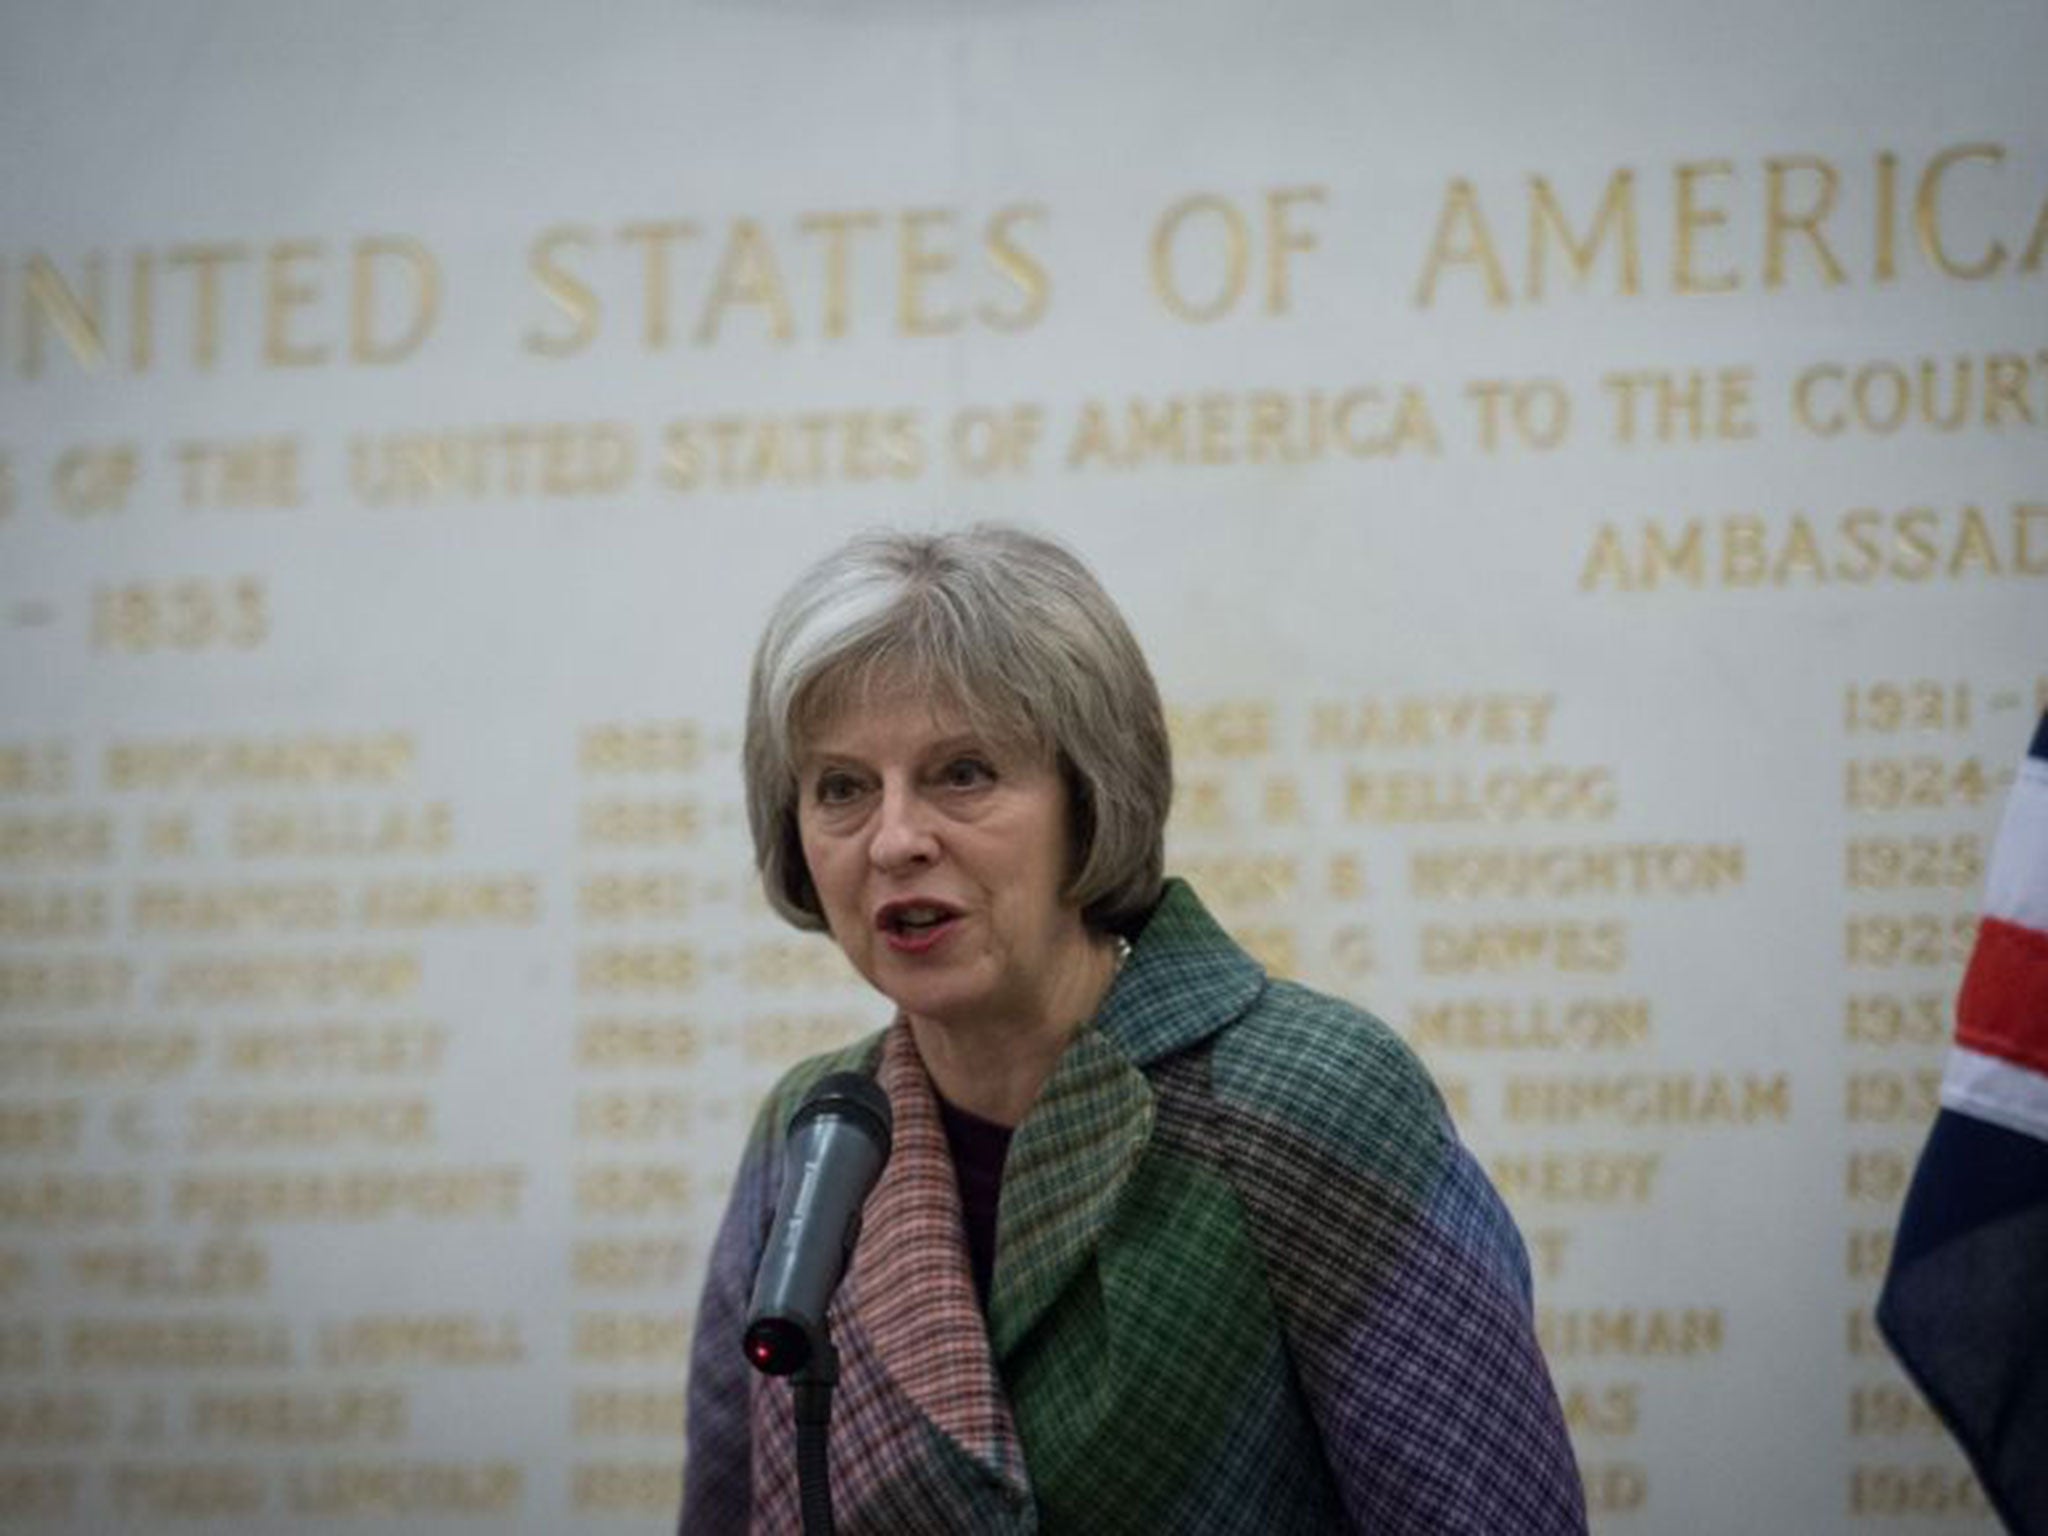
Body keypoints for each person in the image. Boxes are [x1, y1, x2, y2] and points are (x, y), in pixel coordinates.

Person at [680, 524, 1586, 1534]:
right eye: (841, 788)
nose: (894, 839)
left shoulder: (1306, 1096)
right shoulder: (810, 1132)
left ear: (1088, 796)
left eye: (963, 772)